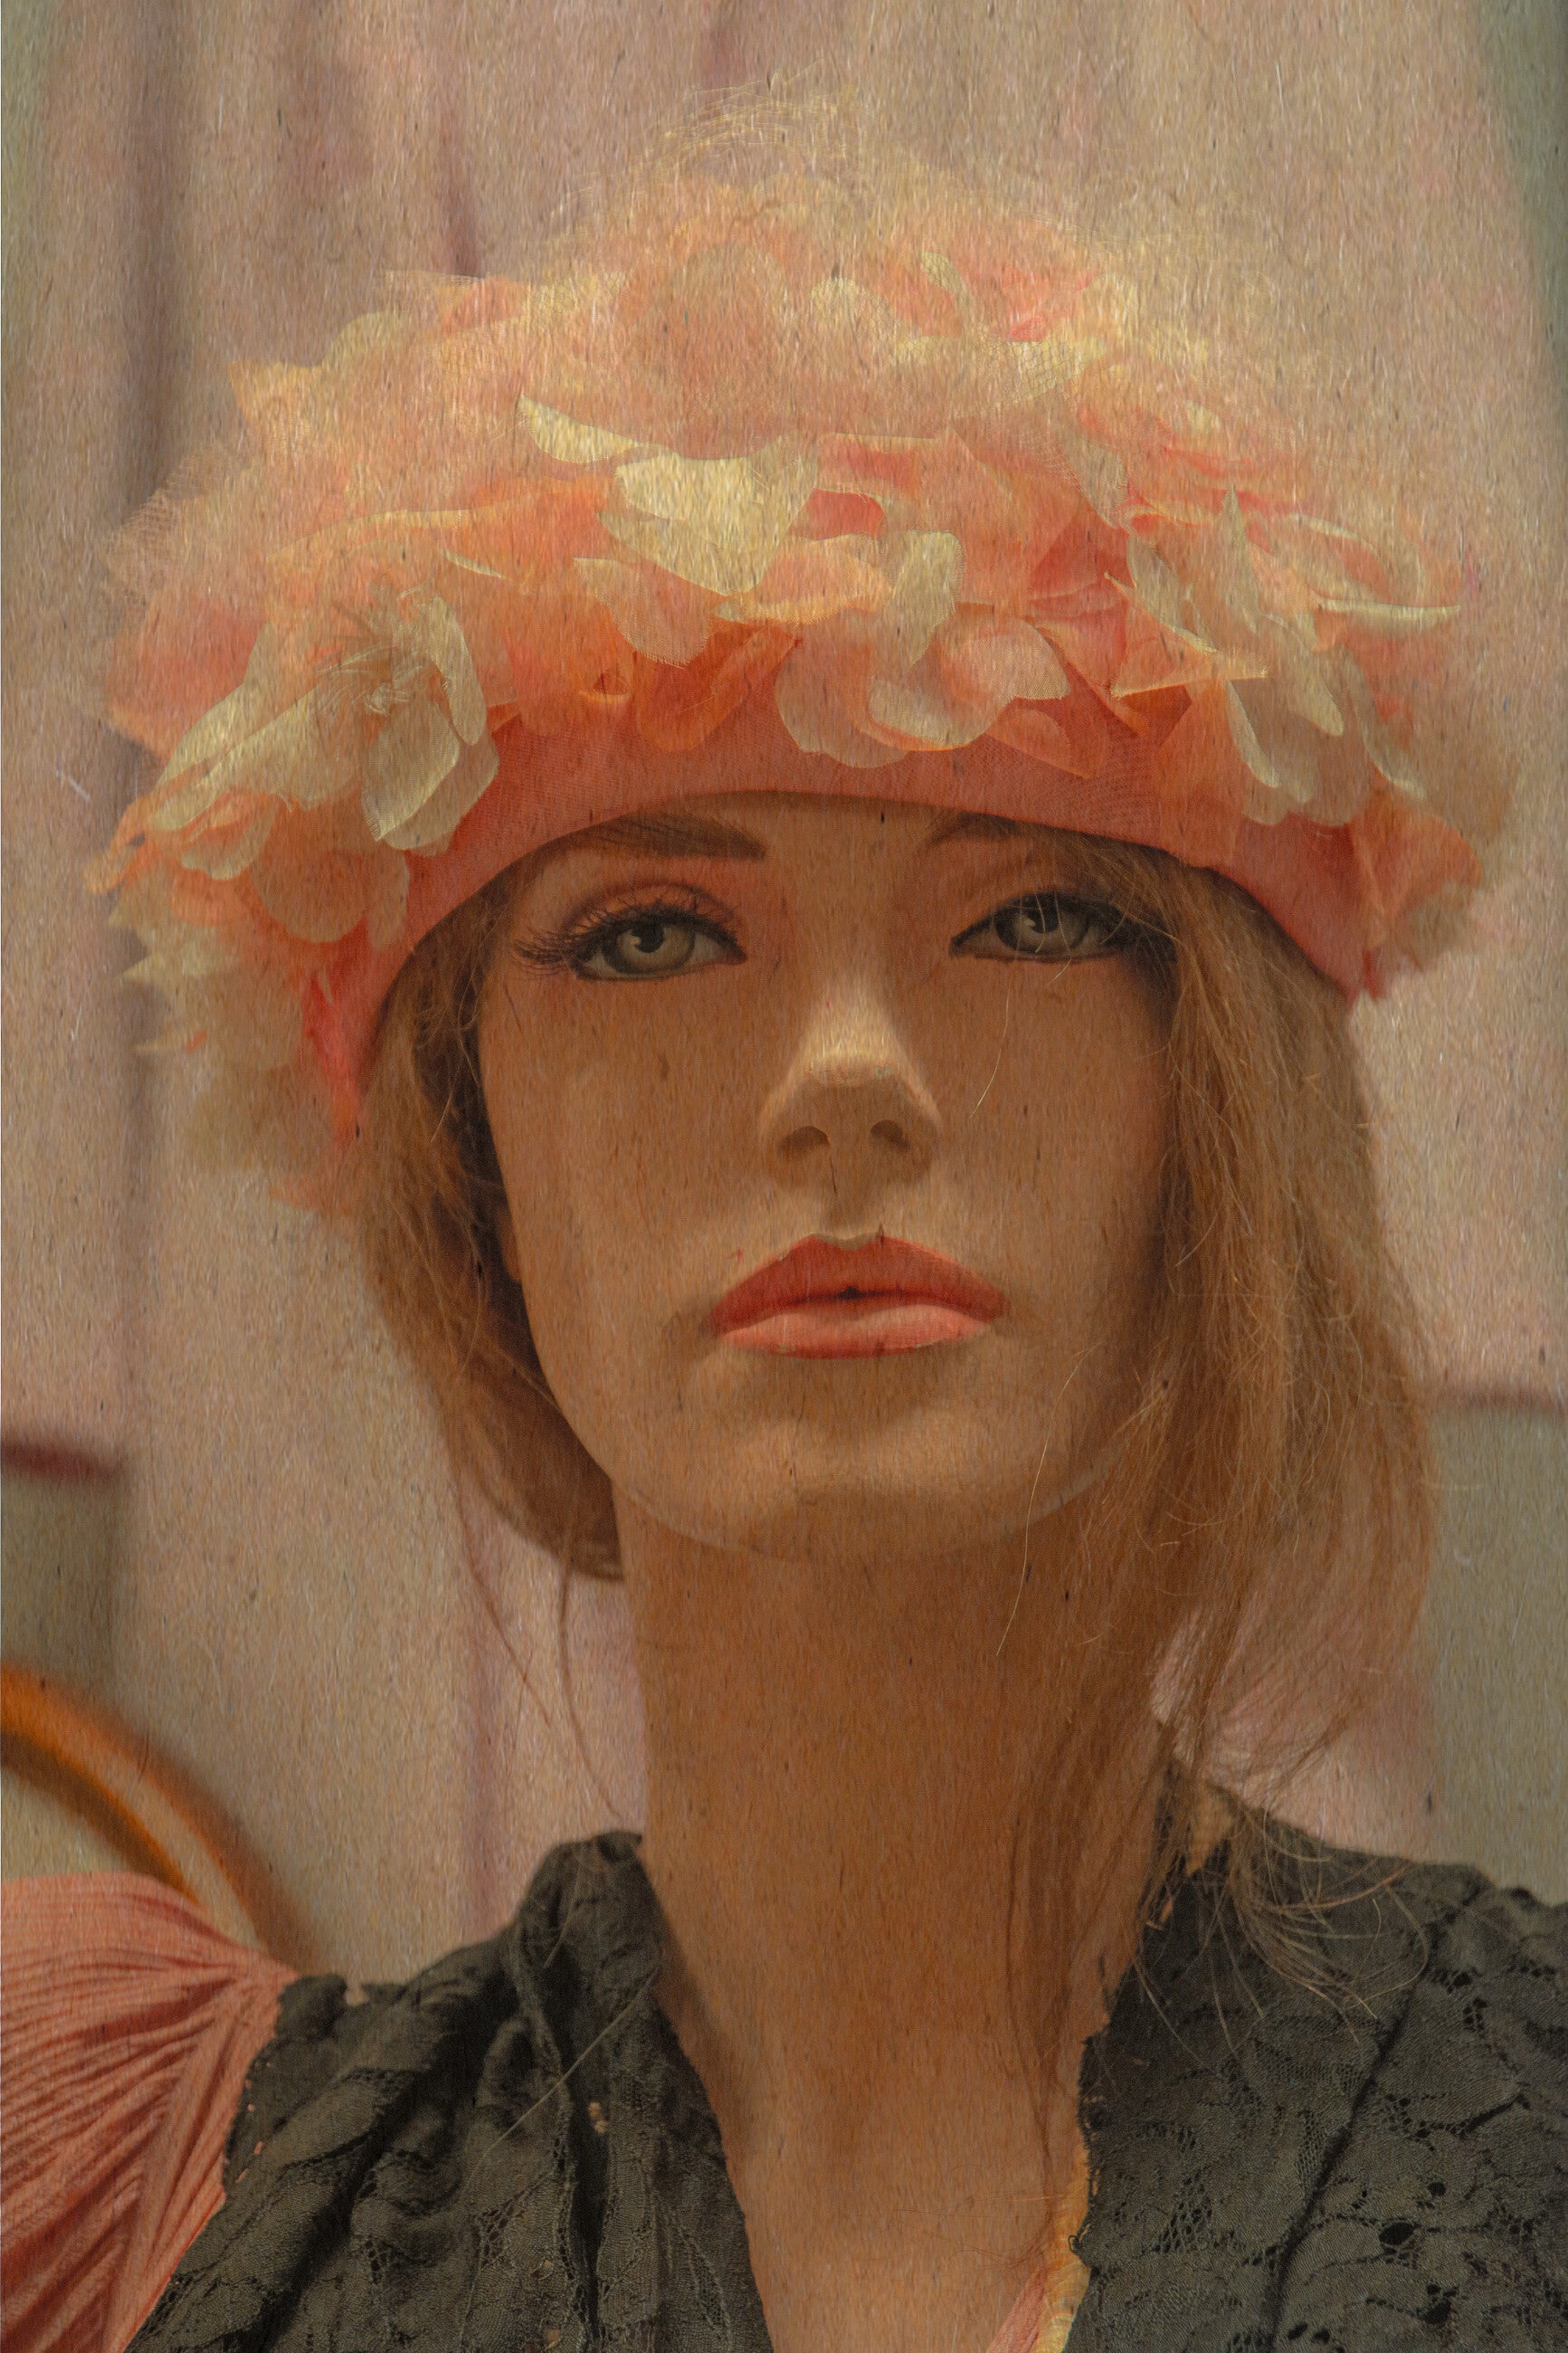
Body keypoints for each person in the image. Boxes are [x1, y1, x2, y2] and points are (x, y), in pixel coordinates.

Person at [4, 132, 1563, 2353]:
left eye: (1034, 916)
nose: (846, 1074)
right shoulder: (132, 2206)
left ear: (1214, 1103)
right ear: (464, 1138)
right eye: (650, 932)